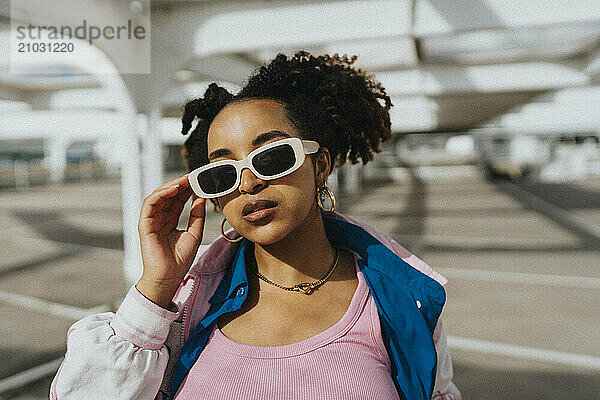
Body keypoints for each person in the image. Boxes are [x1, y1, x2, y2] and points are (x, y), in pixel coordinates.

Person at [50, 51, 461, 400]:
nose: (248, 182)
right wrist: (155, 289)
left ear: (320, 166)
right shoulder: (187, 305)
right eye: (221, 174)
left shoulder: (403, 302)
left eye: (272, 158)